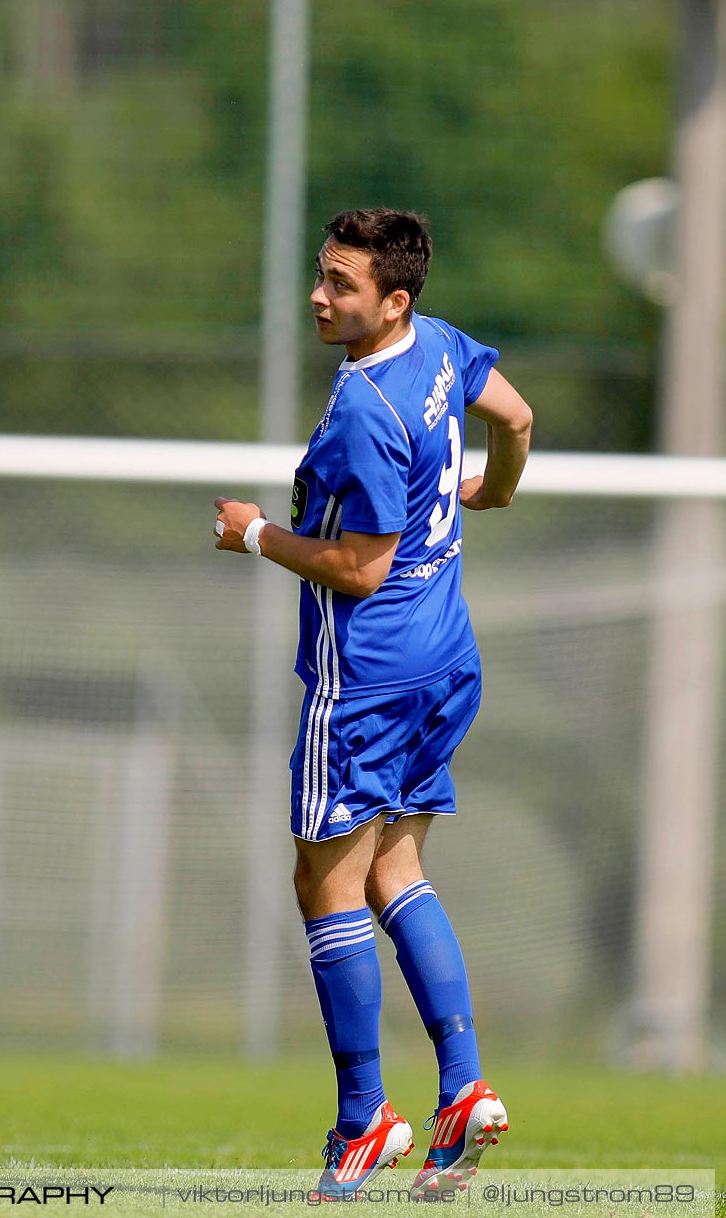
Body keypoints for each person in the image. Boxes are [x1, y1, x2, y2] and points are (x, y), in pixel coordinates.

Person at [212, 208, 532, 1200]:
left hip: (371, 673)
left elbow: (358, 568)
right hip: (446, 656)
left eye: (340, 284)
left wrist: (259, 534)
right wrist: (499, 493)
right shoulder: (439, 346)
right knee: (396, 867)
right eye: (321, 276)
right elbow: (515, 421)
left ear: (390, 299)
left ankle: (364, 1120)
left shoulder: (363, 405)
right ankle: (466, 1087)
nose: (320, 295)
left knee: (325, 884)